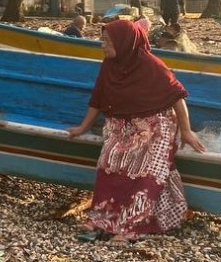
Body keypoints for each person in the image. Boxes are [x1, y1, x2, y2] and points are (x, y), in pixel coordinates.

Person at [67, 20, 206, 243]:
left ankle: (132, 226)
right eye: (103, 40)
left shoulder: (152, 65)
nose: (103, 45)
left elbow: (178, 97)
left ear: (124, 42)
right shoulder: (109, 65)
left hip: (157, 126)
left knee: (145, 173)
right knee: (109, 162)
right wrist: (83, 127)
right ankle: (102, 219)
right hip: (123, 125)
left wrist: (187, 131)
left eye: (107, 41)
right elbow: (98, 99)